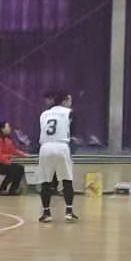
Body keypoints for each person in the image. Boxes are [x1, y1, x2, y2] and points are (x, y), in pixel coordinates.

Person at [36, 91, 79, 224]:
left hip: (45, 147)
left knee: (45, 182)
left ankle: (46, 213)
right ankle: (69, 212)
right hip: (61, 146)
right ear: (64, 101)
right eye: (69, 100)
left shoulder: (44, 114)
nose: (71, 103)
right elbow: (72, 130)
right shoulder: (69, 112)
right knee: (67, 180)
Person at [0, 122, 29, 196]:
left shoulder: (7, 140)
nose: (10, 128)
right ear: (2, 129)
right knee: (15, 170)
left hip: (4, 163)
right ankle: (2, 189)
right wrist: (8, 162)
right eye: (8, 127)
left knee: (19, 169)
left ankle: (13, 189)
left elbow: (13, 150)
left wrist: (23, 154)